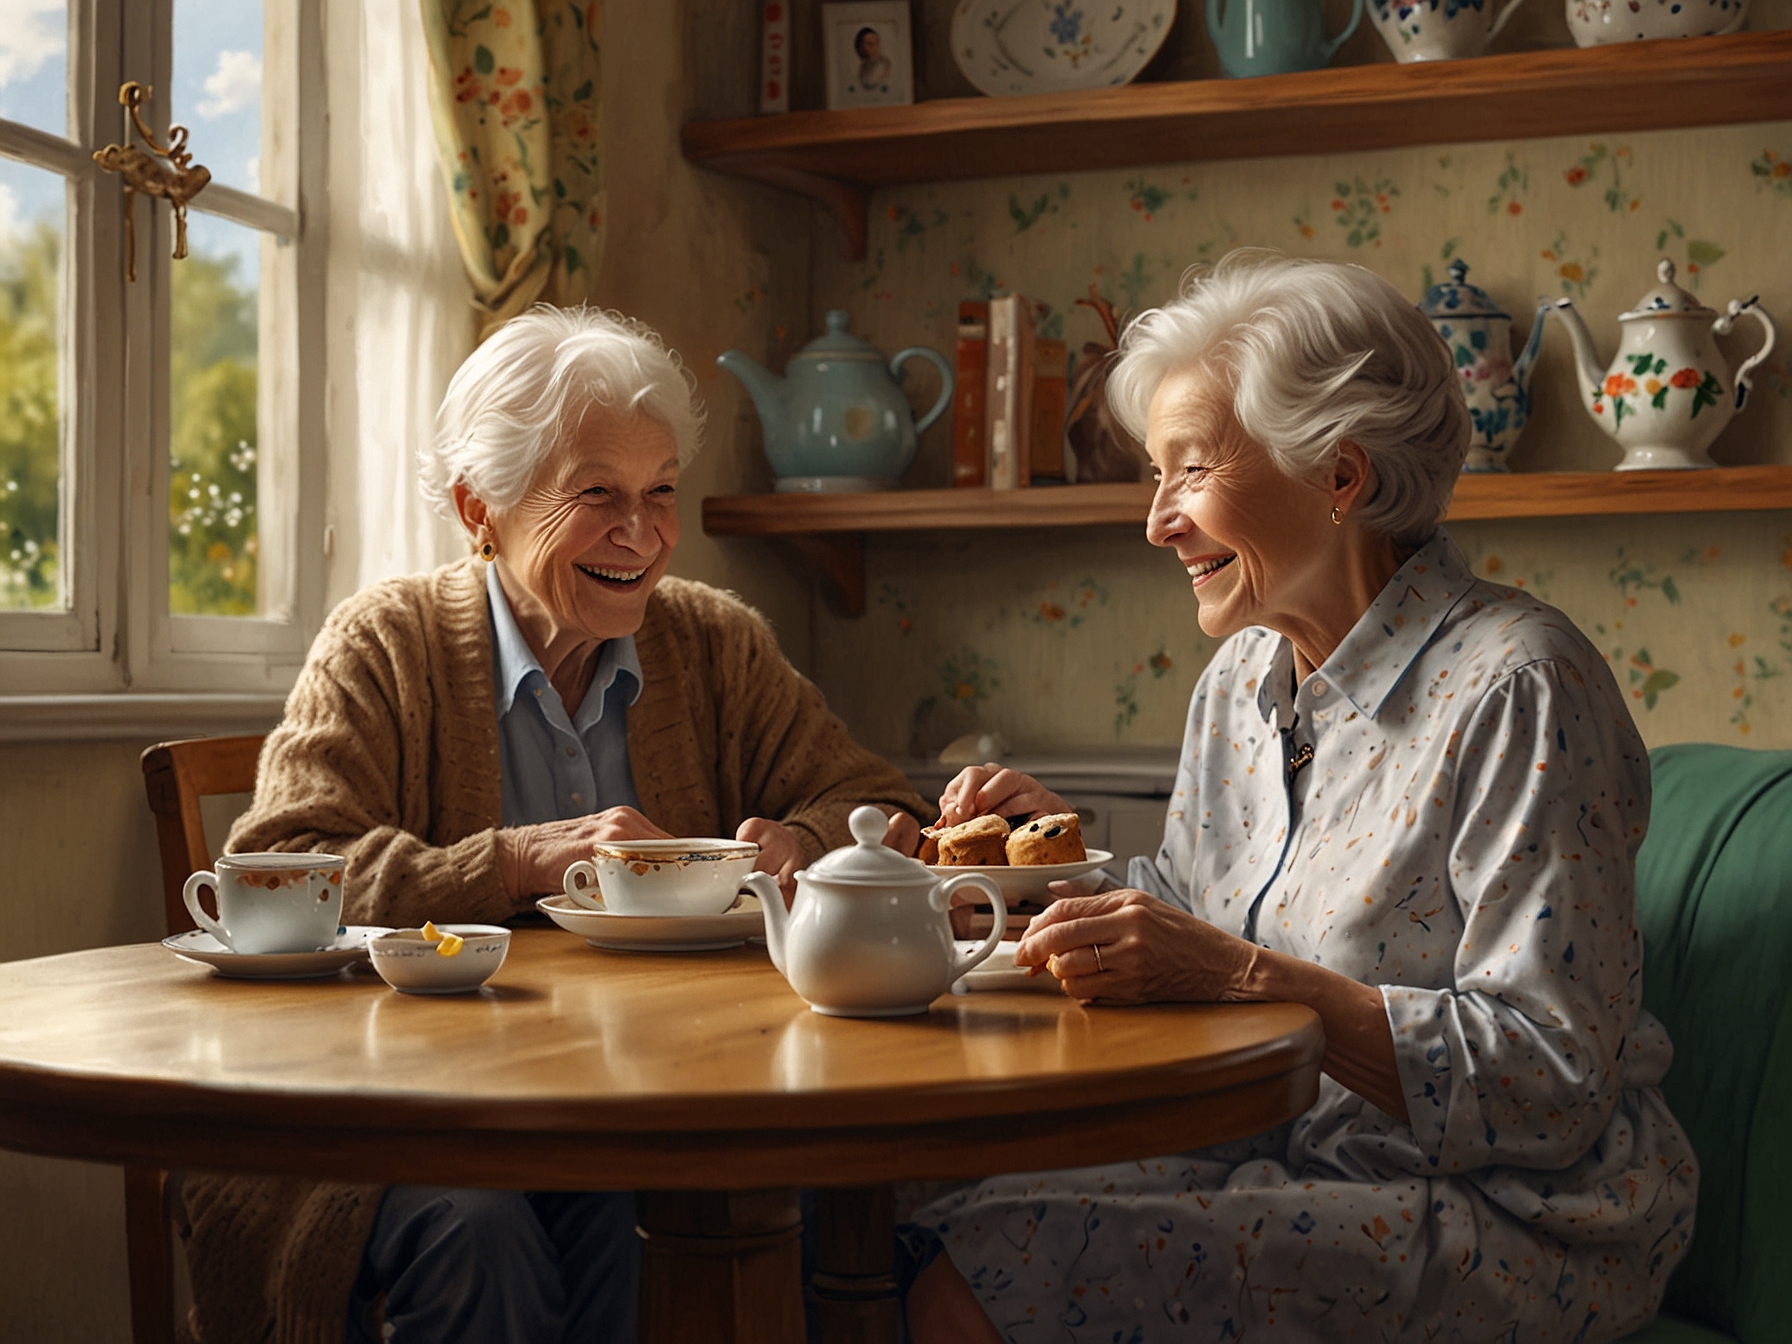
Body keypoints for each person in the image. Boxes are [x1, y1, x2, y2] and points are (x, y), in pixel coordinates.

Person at [901, 253, 1698, 1344]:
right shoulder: (1242, 677)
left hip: (1514, 1218)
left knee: (975, 1282)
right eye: (1155, 476)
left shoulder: (1519, 685)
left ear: (1340, 475)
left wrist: (1230, 974)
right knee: (899, 1216)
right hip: (1291, 1155)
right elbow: (1195, 922)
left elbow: (1549, 1079)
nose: (1156, 522)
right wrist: (1046, 884)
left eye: (1188, 471)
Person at [178, 306, 928, 1344]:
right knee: (479, 1236)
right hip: (407, 1116)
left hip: (651, 1111)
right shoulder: (383, 646)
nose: (644, 533)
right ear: (478, 506)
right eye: (597, 496)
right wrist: (519, 860)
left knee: (662, 1222)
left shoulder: (713, 643)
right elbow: (282, 869)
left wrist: (800, 842)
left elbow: (885, 805)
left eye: (660, 491)